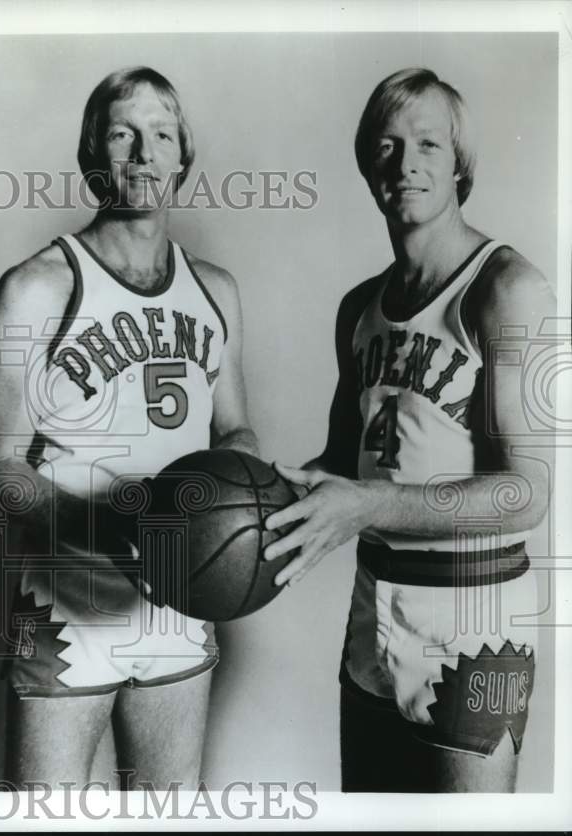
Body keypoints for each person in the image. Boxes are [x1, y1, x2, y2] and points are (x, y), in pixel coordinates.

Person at [263, 68, 555, 792]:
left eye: (428, 143)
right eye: (386, 146)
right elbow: (340, 463)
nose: (406, 163)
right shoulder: (359, 307)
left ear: (460, 164)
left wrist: (364, 507)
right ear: (368, 167)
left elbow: (526, 495)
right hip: (375, 609)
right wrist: (242, 509)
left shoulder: (506, 289)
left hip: (476, 617)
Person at [0, 66, 258, 789]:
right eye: (122, 133)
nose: (142, 153)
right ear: (91, 154)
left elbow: (234, 432)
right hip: (67, 595)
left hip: (182, 598)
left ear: (182, 160)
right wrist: (103, 527)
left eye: (160, 135)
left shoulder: (217, 291)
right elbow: (0, 470)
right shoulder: (36, 287)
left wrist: (247, 509)